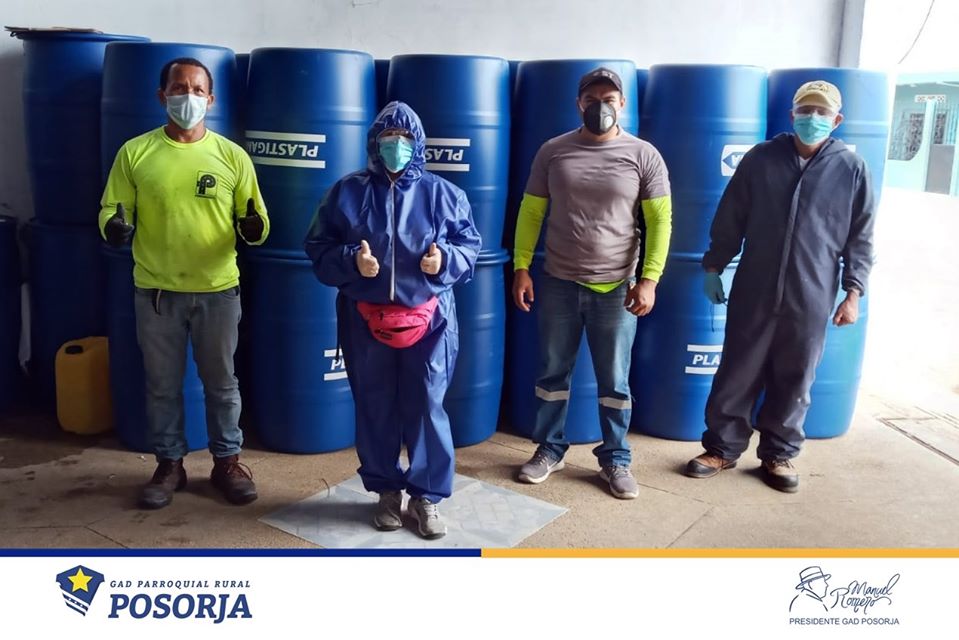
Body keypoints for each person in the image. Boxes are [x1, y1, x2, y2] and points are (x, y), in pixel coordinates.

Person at [685, 80, 875, 493]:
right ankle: (721, 449)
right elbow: (731, 215)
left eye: (822, 112)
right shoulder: (761, 159)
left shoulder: (851, 169)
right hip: (755, 286)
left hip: (812, 291)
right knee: (737, 371)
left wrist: (854, 291)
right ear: (792, 115)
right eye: (806, 110)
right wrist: (714, 266)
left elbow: (861, 236)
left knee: (796, 376)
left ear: (837, 120)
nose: (813, 118)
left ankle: (778, 454)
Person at [304, 101, 481, 540]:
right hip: (366, 319)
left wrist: (444, 260)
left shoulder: (444, 195)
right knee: (375, 403)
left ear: (418, 143)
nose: (396, 147)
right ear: (374, 143)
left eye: (404, 139)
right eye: (388, 138)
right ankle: (386, 489)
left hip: (430, 320)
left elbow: (470, 246)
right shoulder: (347, 193)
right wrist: (351, 261)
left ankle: (426, 496)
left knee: (427, 405)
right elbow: (318, 247)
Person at [99, 57, 269, 509]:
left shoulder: (232, 156)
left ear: (210, 99)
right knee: (161, 385)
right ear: (162, 96)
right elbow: (112, 209)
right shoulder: (135, 153)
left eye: (197, 90)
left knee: (222, 384)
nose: (187, 97)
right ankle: (169, 464)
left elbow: (256, 217)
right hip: (156, 293)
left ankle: (227, 463)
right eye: (179, 88)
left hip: (218, 291)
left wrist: (254, 228)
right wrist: (113, 227)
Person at [512, 67, 673, 500]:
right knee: (552, 373)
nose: (600, 106)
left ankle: (616, 458)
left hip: (617, 288)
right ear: (578, 104)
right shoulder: (554, 151)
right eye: (591, 99)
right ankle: (550, 449)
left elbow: (660, 221)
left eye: (609, 99)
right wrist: (521, 266)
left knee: (614, 381)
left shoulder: (643, 155)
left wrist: (649, 279)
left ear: (622, 104)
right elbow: (531, 211)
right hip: (559, 282)